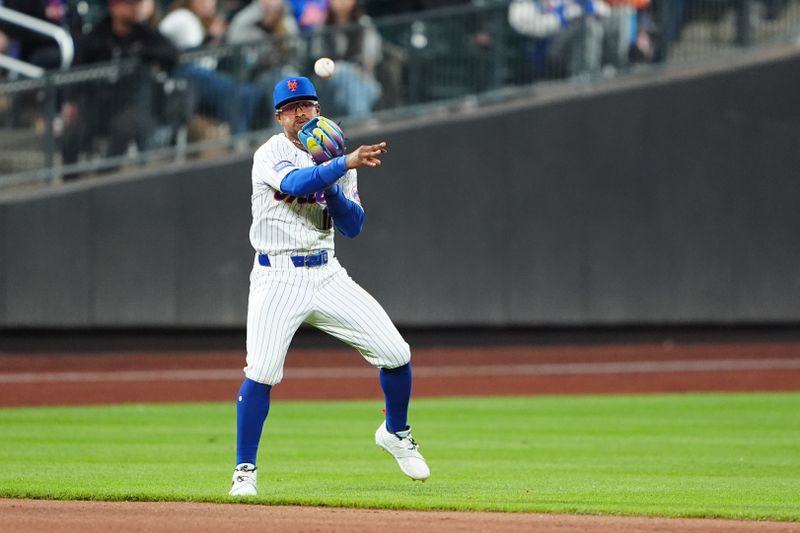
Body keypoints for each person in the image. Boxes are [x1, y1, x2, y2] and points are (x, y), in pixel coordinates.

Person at [229, 75, 430, 496]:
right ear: (279, 117)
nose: (302, 113)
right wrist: (340, 166)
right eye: (292, 107)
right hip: (277, 274)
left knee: (397, 354)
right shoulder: (272, 153)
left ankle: (395, 432)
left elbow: (353, 226)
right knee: (262, 371)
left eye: (309, 104)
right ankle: (245, 470)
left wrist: (337, 181)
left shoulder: (338, 155)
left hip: (327, 273)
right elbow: (295, 184)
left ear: (318, 110)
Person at [60, 0, 179, 170]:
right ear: (113, 7)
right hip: (100, 104)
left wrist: (142, 56)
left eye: (137, 4)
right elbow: (76, 70)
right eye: (129, 4)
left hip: (135, 106)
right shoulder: (98, 35)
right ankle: (69, 178)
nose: (135, 9)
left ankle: (107, 175)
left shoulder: (146, 35)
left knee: (123, 126)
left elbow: (172, 55)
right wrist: (71, 103)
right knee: (73, 128)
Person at [310, 0, 381, 118]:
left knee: (348, 83)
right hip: (327, 83)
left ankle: (359, 120)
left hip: (362, 80)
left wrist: (352, 72)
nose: (342, 2)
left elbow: (371, 58)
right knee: (342, 71)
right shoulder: (322, 27)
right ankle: (363, 124)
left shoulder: (364, 24)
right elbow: (317, 59)